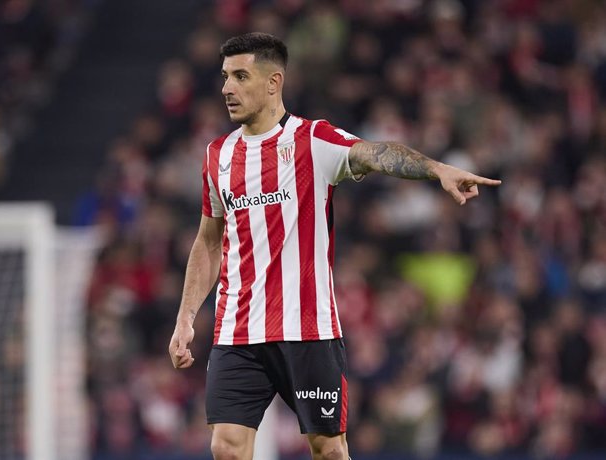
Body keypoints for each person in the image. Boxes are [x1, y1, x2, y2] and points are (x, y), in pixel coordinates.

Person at [168, 32, 501, 460]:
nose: (226, 88)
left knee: (328, 450)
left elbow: (375, 154)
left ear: (274, 82)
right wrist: (185, 319)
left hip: (309, 330)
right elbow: (208, 240)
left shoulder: (312, 141)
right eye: (225, 77)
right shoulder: (218, 155)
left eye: (240, 76)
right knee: (227, 448)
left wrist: (436, 169)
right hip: (237, 330)